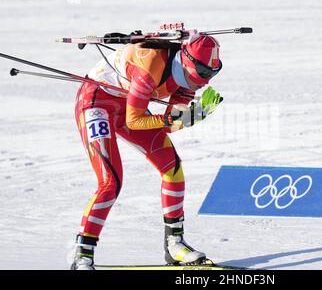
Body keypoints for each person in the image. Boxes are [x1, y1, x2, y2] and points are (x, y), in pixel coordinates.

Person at [71, 32, 223, 270]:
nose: (206, 81)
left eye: (214, 73)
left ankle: (175, 243)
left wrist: (188, 118)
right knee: (110, 182)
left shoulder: (190, 78)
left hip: (129, 107)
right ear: (187, 61)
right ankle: (83, 255)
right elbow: (135, 122)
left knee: (171, 168)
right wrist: (172, 117)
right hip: (97, 103)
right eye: (204, 73)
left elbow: (169, 124)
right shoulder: (150, 65)